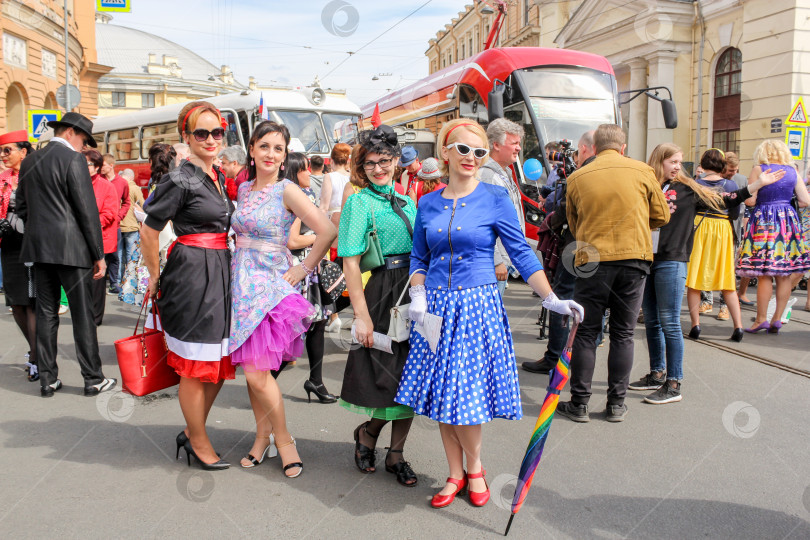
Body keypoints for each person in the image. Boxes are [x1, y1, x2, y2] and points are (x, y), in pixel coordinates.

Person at [394, 119, 583, 509]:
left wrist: (551, 299)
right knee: (442, 394)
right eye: (463, 149)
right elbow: (419, 256)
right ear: (445, 151)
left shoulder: (494, 199)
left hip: (476, 307)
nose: (471, 158)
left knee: (464, 393)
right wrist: (418, 292)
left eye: (479, 152)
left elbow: (521, 253)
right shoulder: (427, 202)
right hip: (434, 310)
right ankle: (455, 474)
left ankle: (475, 468)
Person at [631, 144, 780, 404]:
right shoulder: (646, 184)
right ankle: (657, 373)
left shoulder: (688, 188)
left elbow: (725, 200)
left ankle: (674, 383)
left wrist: (755, 186)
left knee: (669, 322)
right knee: (652, 320)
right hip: (646, 260)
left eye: (680, 162)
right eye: (672, 162)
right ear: (659, 161)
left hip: (672, 261)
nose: (677, 166)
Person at [230, 124, 336, 477]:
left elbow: (326, 230)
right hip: (240, 286)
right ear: (252, 149)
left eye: (278, 148)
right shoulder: (243, 188)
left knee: (259, 373)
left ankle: (285, 439)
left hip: (271, 286)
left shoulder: (287, 190)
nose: (271, 154)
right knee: (251, 370)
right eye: (264, 146)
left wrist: (303, 269)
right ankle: (262, 438)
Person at [141, 101, 234, 469]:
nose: (210, 139)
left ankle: (192, 430)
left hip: (219, 272)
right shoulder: (178, 179)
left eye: (216, 132)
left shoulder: (218, 176)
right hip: (192, 274)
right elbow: (149, 230)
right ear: (186, 136)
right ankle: (197, 439)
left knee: (218, 360)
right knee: (196, 364)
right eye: (201, 133)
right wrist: (152, 275)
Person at [556, 124, 669, 423]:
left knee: (586, 332)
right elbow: (662, 215)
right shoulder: (643, 171)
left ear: (594, 148)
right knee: (623, 333)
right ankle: (616, 404)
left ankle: (579, 403)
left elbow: (573, 222)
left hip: (592, 260)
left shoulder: (577, 177)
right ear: (622, 147)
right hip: (634, 260)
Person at [337, 125, 419, 487]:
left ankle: (396, 453)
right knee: (388, 379)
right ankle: (368, 433)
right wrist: (361, 315)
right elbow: (350, 262)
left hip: (415, 292)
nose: (378, 169)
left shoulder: (407, 201)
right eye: (370, 163)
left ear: (397, 160)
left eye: (384, 161)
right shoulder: (359, 202)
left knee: (413, 379)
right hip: (384, 292)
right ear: (361, 167)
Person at [16, 112, 117, 397]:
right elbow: (87, 211)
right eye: (84, 140)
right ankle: (93, 378)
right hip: (72, 249)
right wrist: (98, 254)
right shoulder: (72, 160)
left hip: (38, 248)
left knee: (46, 313)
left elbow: (21, 206)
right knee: (83, 314)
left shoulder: (31, 160)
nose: (84, 147)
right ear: (72, 132)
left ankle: (48, 379)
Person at [523, 129, 596, 374]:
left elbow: (562, 211)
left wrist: (552, 222)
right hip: (602, 249)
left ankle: (554, 357)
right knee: (591, 300)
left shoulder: (580, 176)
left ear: (584, 149)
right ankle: (584, 356)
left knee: (562, 297)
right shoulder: (629, 173)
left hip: (575, 244)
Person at [737, 140, 810, 332]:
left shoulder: (759, 169)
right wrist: (785, 203)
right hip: (788, 222)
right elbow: (805, 200)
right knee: (784, 274)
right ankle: (777, 318)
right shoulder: (792, 171)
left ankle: (761, 319)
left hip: (764, 221)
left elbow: (751, 201)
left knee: (765, 274)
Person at [286, 152, 338, 403]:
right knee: (298, 327)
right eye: (306, 170)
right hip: (300, 269)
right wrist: (320, 237)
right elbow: (292, 239)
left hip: (306, 268)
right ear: (296, 172)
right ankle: (264, 384)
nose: (311, 174)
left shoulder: (293, 193)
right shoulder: (299, 195)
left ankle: (316, 381)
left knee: (316, 324)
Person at [685, 149, 748, 341]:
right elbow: (735, 213)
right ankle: (738, 327)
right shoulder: (730, 184)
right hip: (722, 230)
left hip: (701, 228)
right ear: (722, 165)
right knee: (727, 281)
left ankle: (695, 325)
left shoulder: (695, 184)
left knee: (694, 279)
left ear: (703, 165)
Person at [0, 130, 37, 381]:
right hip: (9, 245)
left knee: (32, 301)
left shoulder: (36, 175)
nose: (3, 156)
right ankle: (36, 351)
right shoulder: (2, 178)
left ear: (23, 152)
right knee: (16, 302)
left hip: (33, 244)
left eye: (7, 150)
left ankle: (37, 357)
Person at [478, 118, 525, 296]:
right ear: (496, 145)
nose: (518, 148)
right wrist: (497, 259)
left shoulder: (503, 173)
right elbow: (484, 222)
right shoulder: (489, 177)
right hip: (492, 264)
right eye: (514, 143)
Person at [86, 150, 119, 326]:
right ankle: (85, 315)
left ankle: (95, 318)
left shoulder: (106, 186)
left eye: (89, 164)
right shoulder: (77, 183)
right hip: (79, 240)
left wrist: (88, 224)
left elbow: (109, 214)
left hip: (100, 239)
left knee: (97, 280)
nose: (85, 167)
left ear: (97, 167)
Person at [100, 154, 130, 295]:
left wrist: (119, 217)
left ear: (111, 165)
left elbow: (127, 202)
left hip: (114, 226)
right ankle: (98, 284)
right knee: (99, 255)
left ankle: (113, 283)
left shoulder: (122, 182)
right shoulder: (98, 181)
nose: (101, 167)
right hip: (99, 225)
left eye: (103, 164)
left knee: (114, 256)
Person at [117, 168, 143, 278]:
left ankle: (117, 281)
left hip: (118, 226)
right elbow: (143, 204)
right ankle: (128, 280)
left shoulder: (117, 186)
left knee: (119, 256)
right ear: (132, 177)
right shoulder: (135, 188)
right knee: (130, 255)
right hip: (131, 227)